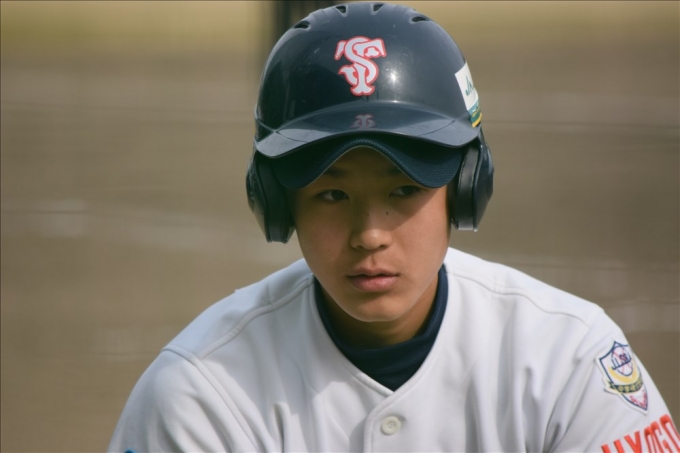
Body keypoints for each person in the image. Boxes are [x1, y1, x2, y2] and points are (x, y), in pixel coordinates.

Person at [109, 3, 679, 452]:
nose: (369, 235)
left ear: (464, 186)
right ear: (279, 205)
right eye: (332, 194)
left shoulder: (566, 358)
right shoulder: (201, 391)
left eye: (404, 189)